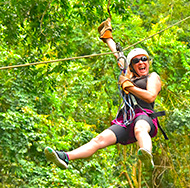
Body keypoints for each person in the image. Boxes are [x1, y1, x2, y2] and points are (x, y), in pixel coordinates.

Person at [44, 18, 162, 170]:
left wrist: (128, 86)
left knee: (140, 128)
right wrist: (107, 38)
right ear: (132, 66)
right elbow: (119, 56)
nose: (141, 62)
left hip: (144, 116)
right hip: (126, 119)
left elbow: (151, 96)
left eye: (144, 59)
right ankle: (65, 157)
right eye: (136, 61)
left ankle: (146, 154)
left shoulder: (152, 77)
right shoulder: (128, 76)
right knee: (99, 140)